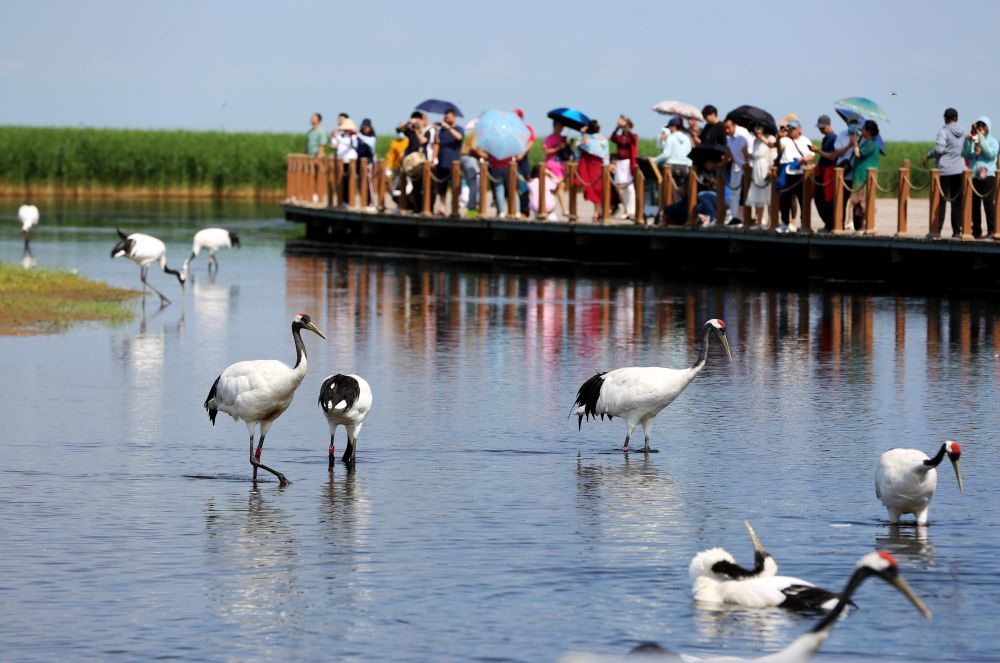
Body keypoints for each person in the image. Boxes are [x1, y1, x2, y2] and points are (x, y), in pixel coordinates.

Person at [923, 108, 967, 237]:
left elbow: (939, 149)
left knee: (940, 201)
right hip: (960, 170)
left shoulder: (944, 131)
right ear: (956, 118)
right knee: (957, 202)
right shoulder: (963, 131)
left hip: (944, 171)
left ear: (945, 118)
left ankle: (937, 230)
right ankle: (956, 231)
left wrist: (928, 156)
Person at [962, 116, 999, 239]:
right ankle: (976, 231)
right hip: (973, 176)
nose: (981, 128)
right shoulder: (973, 140)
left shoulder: (993, 141)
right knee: (974, 205)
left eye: (984, 126)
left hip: (988, 176)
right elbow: (966, 154)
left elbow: (989, 154)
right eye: (979, 126)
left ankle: (992, 231)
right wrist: (968, 141)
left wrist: (981, 138)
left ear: (988, 128)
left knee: (988, 204)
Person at [777, 120, 814, 233]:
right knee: (784, 199)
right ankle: (784, 223)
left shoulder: (805, 140)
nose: (791, 131)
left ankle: (804, 224)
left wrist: (804, 160)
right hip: (787, 172)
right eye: (790, 128)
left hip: (801, 174)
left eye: (794, 128)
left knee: (803, 200)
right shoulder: (785, 139)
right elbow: (779, 147)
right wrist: (778, 137)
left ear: (799, 129)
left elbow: (811, 154)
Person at [846, 120, 880, 232]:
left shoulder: (871, 143)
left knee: (863, 203)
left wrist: (855, 141)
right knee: (858, 203)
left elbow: (858, 153)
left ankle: (867, 224)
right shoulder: (866, 141)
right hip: (860, 177)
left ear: (869, 131)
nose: (862, 130)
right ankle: (861, 224)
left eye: (864, 129)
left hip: (865, 178)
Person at [431, 108, 465, 215]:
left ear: (454, 117)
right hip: (442, 162)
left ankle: (455, 207)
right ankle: (442, 206)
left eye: (448, 117)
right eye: (445, 117)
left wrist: (449, 128)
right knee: (442, 186)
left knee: (455, 186)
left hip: (455, 163)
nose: (446, 119)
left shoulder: (459, 129)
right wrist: (433, 159)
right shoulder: (441, 131)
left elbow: (459, 138)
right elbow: (436, 144)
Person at [577, 119, 610, 221]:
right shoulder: (603, 139)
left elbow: (578, 145)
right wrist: (607, 166)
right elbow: (605, 154)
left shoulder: (586, 139)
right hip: (599, 165)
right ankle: (598, 211)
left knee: (593, 188)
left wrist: (582, 133)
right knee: (598, 189)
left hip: (589, 166)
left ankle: (597, 211)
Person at [810, 114, 838, 231]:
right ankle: (828, 224)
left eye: (822, 127)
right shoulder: (825, 138)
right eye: (819, 127)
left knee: (827, 200)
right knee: (818, 199)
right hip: (821, 173)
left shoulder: (834, 138)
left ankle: (831, 225)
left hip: (829, 174)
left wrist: (818, 151)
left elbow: (832, 156)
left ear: (828, 125)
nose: (820, 129)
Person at [397, 112, 429, 212]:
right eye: (415, 118)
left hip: (424, 162)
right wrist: (408, 122)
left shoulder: (427, 130)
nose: (417, 121)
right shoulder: (409, 130)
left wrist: (417, 130)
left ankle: (426, 208)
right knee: (415, 187)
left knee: (425, 186)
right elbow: (399, 129)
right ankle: (416, 208)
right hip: (412, 163)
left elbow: (423, 141)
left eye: (419, 119)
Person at [723, 117, 752, 226]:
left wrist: (747, 163)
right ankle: (735, 217)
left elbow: (746, 151)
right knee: (734, 194)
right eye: (725, 128)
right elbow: (729, 152)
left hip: (746, 167)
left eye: (728, 128)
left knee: (744, 194)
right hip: (737, 166)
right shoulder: (729, 138)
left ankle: (744, 217)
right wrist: (722, 163)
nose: (727, 130)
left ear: (734, 125)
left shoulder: (741, 134)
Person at [610, 115, 639, 218]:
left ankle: (632, 210)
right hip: (619, 163)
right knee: (619, 187)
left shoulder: (632, 136)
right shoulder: (619, 137)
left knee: (630, 188)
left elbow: (633, 139)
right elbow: (612, 137)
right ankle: (625, 208)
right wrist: (617, 127)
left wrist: (626, 127)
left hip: (628, 163)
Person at [745, 125, 773, 227]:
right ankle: (759, 218)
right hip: (756, 167)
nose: (757, 133)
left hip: (765, 167)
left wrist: (763, 139)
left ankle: (771, 219)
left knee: (768, 194)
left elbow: (772, 148)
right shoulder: (755, 141)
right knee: (757, 194)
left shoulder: (770, 138)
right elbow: (755, 154)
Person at [543, 120, 570, 218]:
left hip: (561, 166)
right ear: (554, 126)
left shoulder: (563, 139)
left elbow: (567, 154)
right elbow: (546, 151)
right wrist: (558, 148)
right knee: (553, 188)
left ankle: (561, 209)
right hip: (551, 166)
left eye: (561, 126)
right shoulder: (549, 138)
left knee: (561, 187)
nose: (560, 128)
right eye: (558, 125)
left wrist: (568, 146)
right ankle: (557, 209)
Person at [331, 117, 359, 205]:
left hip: (350, 162)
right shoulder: (343, 135)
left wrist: (338, 137)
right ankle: (343, 201)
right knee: (342, 181)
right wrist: (334, 136)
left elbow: (349, 144)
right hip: (342, 161)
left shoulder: (354, 136)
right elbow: (335, 144)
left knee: (349, 181)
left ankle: (349, 201)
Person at [514, 109, 535, 215]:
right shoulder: (508, 128)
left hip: (522, 161)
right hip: (510, 160)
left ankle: (525, 210)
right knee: (511, 186)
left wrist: (523, 153)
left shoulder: (526, 128)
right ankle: (512, 209)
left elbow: (531, 141)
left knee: (523, 185)